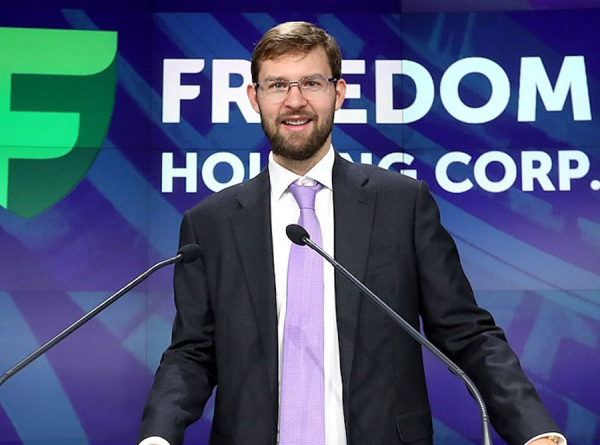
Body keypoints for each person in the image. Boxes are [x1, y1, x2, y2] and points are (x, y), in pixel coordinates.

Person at [138, 21, 565, 445]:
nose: (295, 101)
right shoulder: (211, 223)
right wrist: (158, 437)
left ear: (338, 93)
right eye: (277, 85)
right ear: (254, 97)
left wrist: (533, 430)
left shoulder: (401, 205)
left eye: (312, 82)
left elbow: (466, 332)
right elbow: (192, 353)